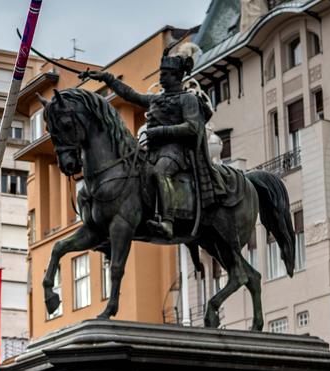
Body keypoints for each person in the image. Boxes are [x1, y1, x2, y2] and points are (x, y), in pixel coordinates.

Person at [81, 48, 227, 239]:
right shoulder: (156, 99)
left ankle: (167, 221)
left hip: (177, 152)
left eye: (165, 74)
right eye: (161, 74)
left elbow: (192, 127)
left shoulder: (188, 99)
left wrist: (160, 131)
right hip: (154, 151)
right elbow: (129, 94)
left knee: (160, 171)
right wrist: (107, 78)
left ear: (177, 77)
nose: (161, 78)